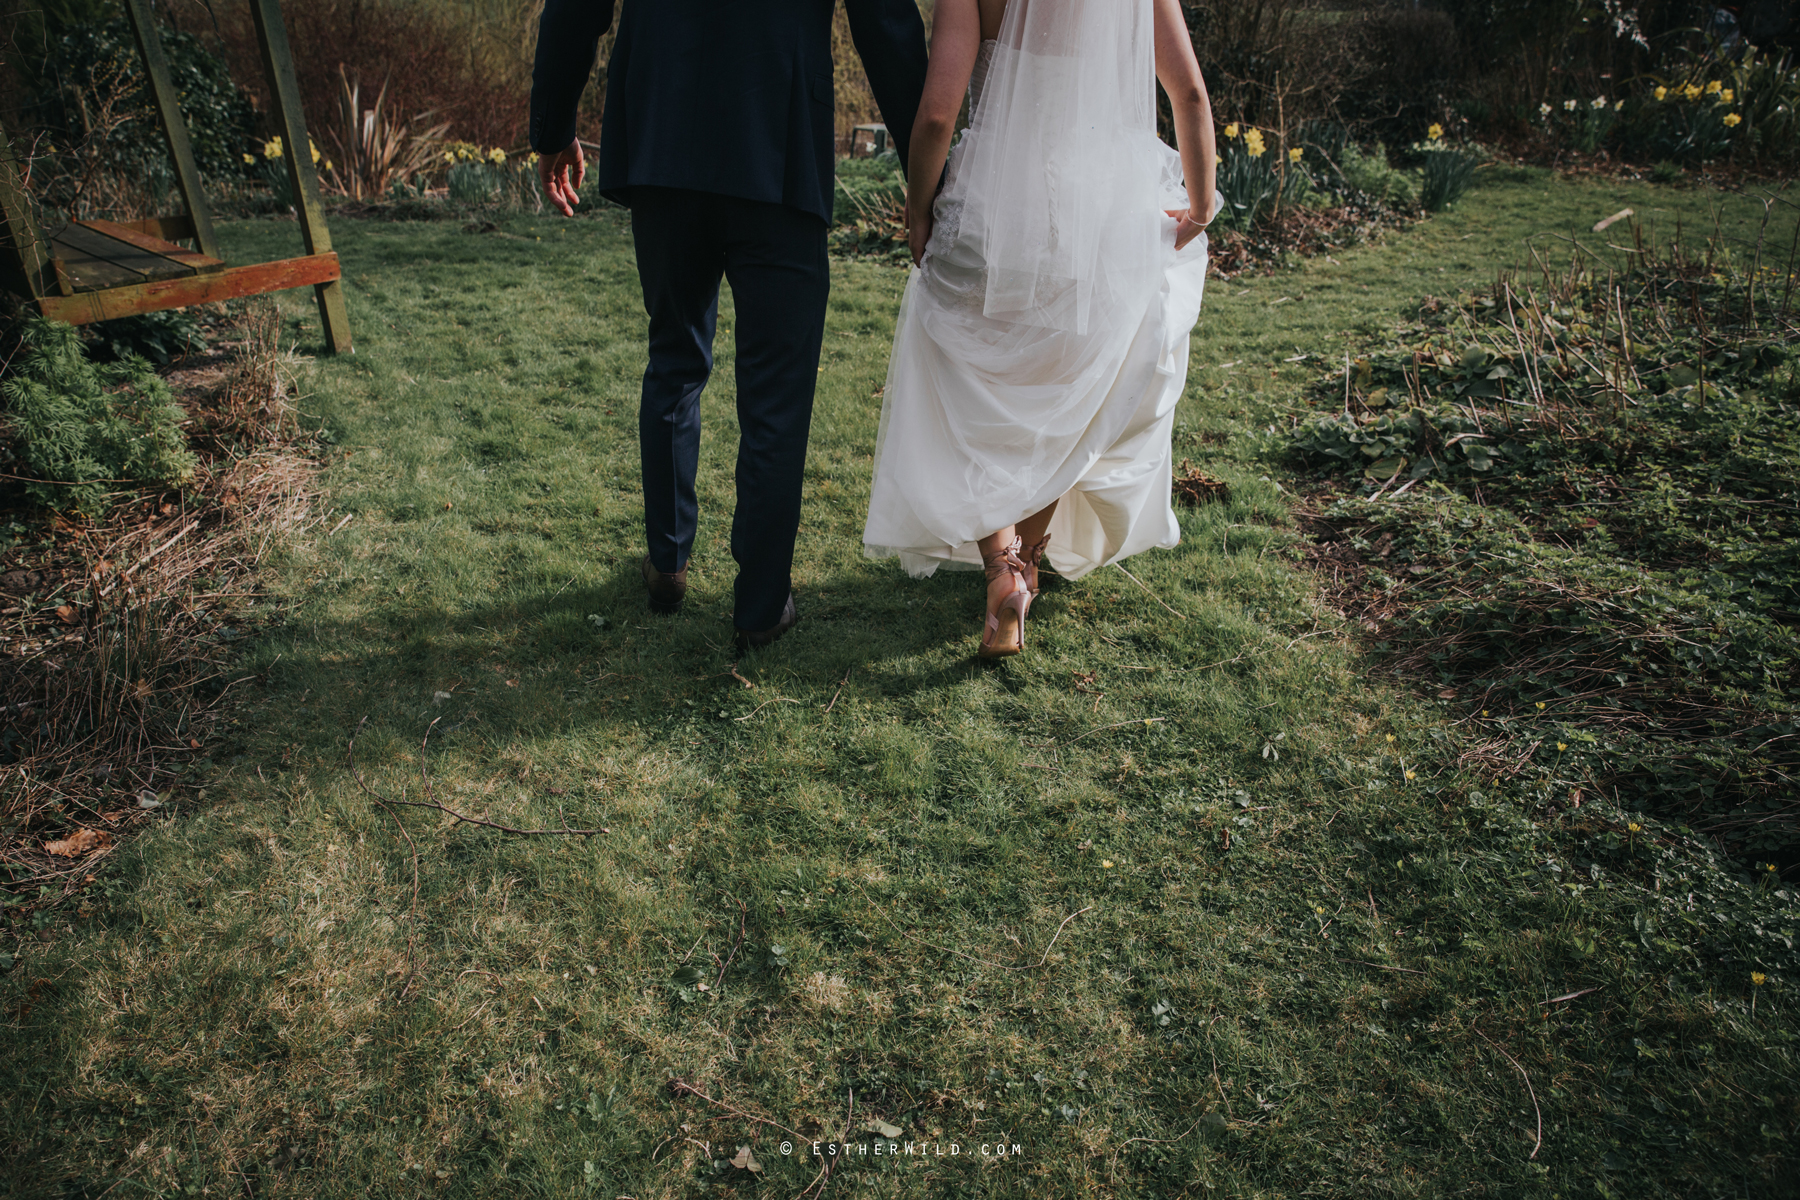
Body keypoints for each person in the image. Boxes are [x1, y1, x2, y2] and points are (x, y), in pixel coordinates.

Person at [530, 1, 928, 652]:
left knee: (674, 357)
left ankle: (667, 563)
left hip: (664, 134)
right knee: (778, 392)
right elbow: (884, 22)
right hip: (780, 141)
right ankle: (761, 606)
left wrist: (552, 124)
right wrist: (927, 167)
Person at [860, 0, 1219, 658]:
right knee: (1064, 396)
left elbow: (938, 112)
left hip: (996, 209)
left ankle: (1001, 565)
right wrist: (1199, 203)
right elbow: (1189, 92)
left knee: (979, 383)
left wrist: (918, 207)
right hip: (1101, 216)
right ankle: (1023, 568)